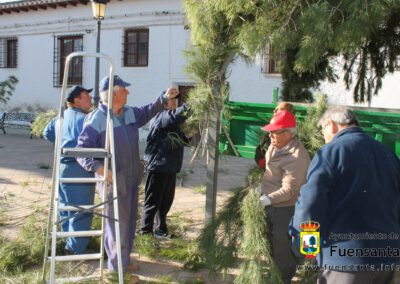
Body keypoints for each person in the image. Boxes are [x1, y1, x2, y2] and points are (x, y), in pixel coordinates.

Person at [76, 75, 178, 275]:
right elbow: (82, 150)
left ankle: (124, 259)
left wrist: (165, 99)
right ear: (114, 94)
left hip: (131, 178)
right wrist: (100, 169)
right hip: (113, 180)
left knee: (130, 221)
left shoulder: (129, 112)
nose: (128, 92)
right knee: (116, 224)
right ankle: (115, 268)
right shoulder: (98, 119)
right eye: (124, 89)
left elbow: (148, 110)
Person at [290, 106, 400, 283]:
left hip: (345, 258)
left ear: (331, 125)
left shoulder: (330, 152)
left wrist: (306, 248)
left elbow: (310, 204)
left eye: (322, 130)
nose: (323, 137)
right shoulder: (387, 153)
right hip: (388, 256)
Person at [257, 110, 311, 284]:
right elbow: (271, 173)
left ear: (288, 133)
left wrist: (268, 199)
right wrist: (262, 187)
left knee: (282, 245)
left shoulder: (296, 157)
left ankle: (282, 278)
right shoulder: (275, 146)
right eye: (270, 131)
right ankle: (275, 273)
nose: (270, 135)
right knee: (271, 243)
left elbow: (290, 190)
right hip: (272, 204)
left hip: (286, 209)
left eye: (275, 132)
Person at [43, 85, 95, 255]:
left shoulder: (61, 117)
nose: (90, 99)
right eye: (86, 96)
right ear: (76, 100)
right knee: (82, 210)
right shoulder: (85, 119)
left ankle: (68, 242)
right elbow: (95, 141)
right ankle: (75, 250)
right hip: (79, 168)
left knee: (66, 207)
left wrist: (61, 143)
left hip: (62, 168)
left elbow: (47, 133)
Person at [140, 95, 190, 238]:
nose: (175, 102)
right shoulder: (161, 116)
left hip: (169, 167)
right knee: (152, 202)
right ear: (163, 103)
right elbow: (175, 116)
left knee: (165, 202)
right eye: (171, 100)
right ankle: (145, 233)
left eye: (175, 100)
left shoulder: (172, 122)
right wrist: (193, 105)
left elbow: (182, 139)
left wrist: (189, 135)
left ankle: (161, 230)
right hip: (157, 166)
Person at [255, 102, 295, 169]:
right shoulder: (268, 135)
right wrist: (262, 162)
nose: (275, 112)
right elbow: (259, 150)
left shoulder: (293, 136)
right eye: (275, 110)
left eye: (280, 109)